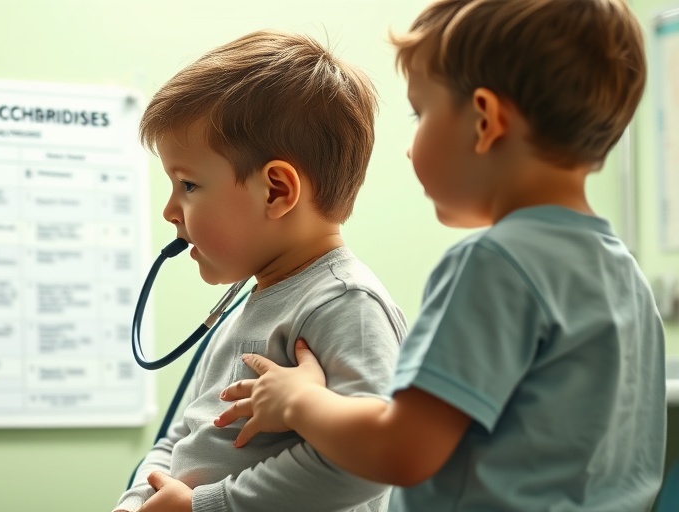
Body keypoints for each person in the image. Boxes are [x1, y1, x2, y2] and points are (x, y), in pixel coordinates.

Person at [216, 1, 667, 510]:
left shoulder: (495, 264)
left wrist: (299, 402)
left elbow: (401, 449)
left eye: (421, 111)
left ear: (485, 121)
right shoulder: (625, 275)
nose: (409, 148)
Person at [113, 29, 407, 512]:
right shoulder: (244, 307)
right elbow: (183, 435)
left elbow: (368, 463)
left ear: (275, 191)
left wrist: (210, 506)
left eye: (187, 184)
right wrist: (134, 504)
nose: (170, 210)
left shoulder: (345, 304)